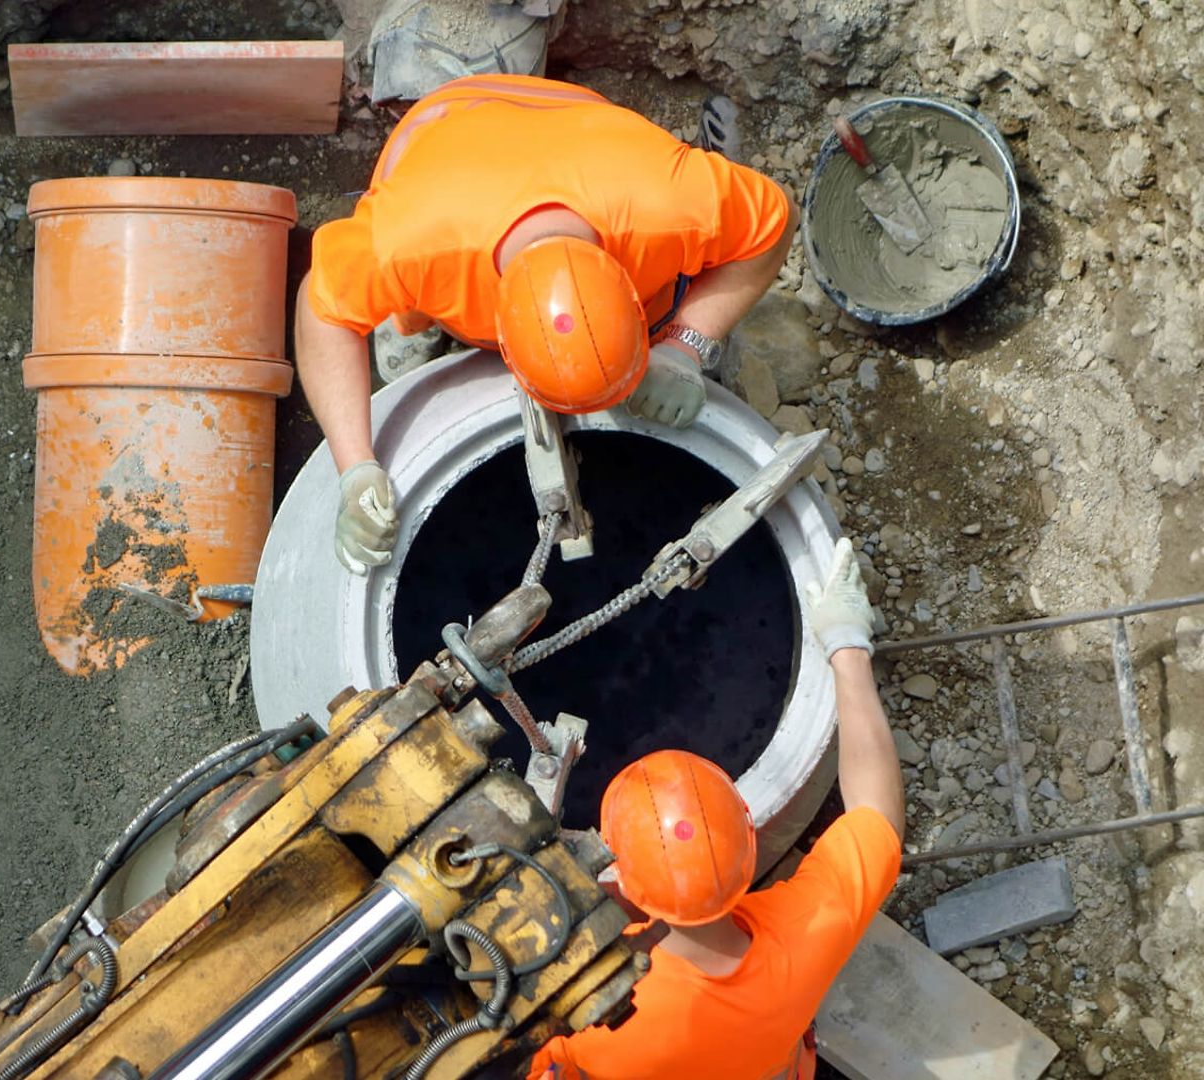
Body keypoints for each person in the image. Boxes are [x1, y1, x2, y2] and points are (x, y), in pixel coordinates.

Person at [298, 74, 798, 575]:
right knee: (407, 316)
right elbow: (321, 312)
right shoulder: (406, 247)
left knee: (692, 281)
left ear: (628, 284)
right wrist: (356, 467)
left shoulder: (673, 209)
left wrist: (685, 345)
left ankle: (666, 310)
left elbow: (775, 222)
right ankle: (428, 324)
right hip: (446, 130)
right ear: (497, 330)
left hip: (588, 132)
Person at [525, 537, 904, 1079]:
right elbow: (878, 819)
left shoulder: (591, 1007)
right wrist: (847, 644)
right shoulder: (804, 936)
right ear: (748, 845)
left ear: (620, 881)